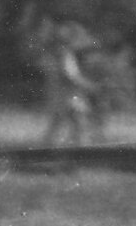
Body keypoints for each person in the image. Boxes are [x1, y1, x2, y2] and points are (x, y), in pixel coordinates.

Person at [40, 19, 97, 149]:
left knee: (62, 124)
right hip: (68, 95)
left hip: (61, 94)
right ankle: (81, 150)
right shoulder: (65, 54)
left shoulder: (57, 54)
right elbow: (70, 76)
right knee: (78, 122)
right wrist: (89, 86)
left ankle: (50, 150)